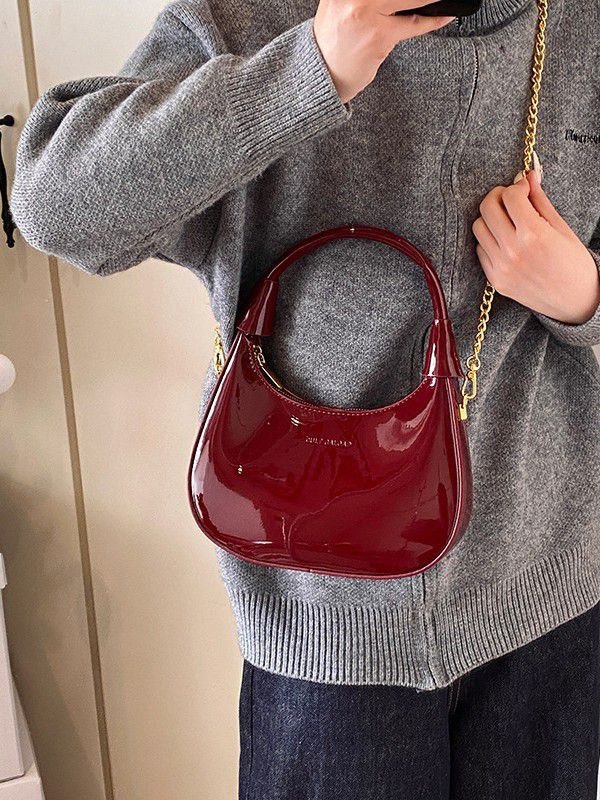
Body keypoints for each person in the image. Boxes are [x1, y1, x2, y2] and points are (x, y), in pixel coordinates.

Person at [10, 0, 600, 796]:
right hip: (324, 629)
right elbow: (56, 204)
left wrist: (584, 294)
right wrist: (307, 70)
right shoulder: (253, 16)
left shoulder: (582, 27)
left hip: (547, 605)